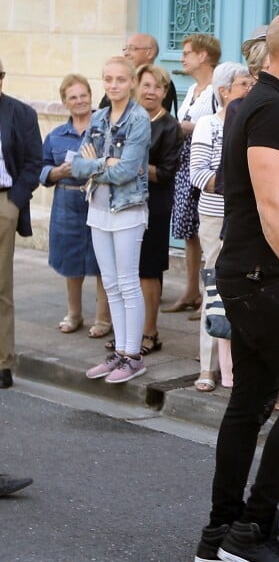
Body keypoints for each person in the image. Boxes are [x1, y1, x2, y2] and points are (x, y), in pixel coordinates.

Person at [194, 11, 279, 562]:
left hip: (251, 275)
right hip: (265, 278)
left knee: (250, 403)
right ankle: (250, 530)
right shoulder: (273, 109)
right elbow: (272, 205)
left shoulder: (262, 104)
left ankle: (218, 538)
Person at [72, 56, 151, 384]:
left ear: (132, 82)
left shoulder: (139, 118)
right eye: (108, 79)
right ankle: (120, 351)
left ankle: (133, 355)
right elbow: (77, 165)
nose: (114, 84)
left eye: (120, 79)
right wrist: (106, 161)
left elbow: (127, 171)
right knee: (111, 283)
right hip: (98, 209)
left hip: (128, 210)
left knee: (129, 283)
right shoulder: (99, 117)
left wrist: (97, 165)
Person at [190, 61, 254, 392]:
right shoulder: (208, 125)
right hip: (217, 219)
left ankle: (237, 369)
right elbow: (198, 174)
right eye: (244, 84)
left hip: (247, 220)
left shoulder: (252, 126)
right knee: (214, 289)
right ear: (224, 91)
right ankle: (207, 368)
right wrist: (241, 185)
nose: (250, 89)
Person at [40, 74, 112, 339]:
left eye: (84, 95)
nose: (80, 101)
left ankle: (103, 318)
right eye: (73, 97)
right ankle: (74, 314)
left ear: (91, 97)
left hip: (97, 199)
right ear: (64, 102)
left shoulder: (105, 128)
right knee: (71, 262)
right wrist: (57, 172)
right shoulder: (56, 135)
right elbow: (41, 167)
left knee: (102, 261)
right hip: (66, 204)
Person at [162, 34, 221, 317]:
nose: (182, 57)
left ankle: (209, 296)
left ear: (204, 56)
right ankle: (190, 291)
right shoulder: (192, 90)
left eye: (187, 53)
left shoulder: (215, 90)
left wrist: (186, 127)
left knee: (206, 230)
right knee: (189, 231)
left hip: (205, 164)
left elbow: (215, 124)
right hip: (185, 164)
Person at [135, 64, 183, 355]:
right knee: (128, 272)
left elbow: (166, 173)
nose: (151, 91)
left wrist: (132, 164)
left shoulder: (169, 127)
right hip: (126, 205)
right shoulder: (130, 118)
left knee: (148, 272)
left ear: (165, 92)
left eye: (158, 87)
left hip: (155, 206)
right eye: (146, 85)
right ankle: (129, 330)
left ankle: (149, 332)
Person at [0, 58, 42, 389]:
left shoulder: (20, 113)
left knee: (1, 287)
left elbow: (33, 163)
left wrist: (14, 202)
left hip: (4, 202)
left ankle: (3, 361)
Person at [99, 33, 178, 116]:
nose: (126, 53)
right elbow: (104, 110)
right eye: (125, 49)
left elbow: (155, 119)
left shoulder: (161, 81)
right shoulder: (121, 80)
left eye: (132, 48)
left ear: (149, 53)